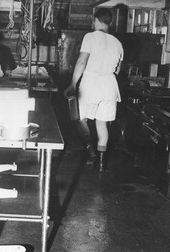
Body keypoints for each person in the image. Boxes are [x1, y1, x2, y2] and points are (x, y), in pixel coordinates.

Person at [64, 8, 123, 172]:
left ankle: (91, 151)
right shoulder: (117, 43)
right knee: (102, 123)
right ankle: (102, 163)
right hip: (110, 85)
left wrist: (73, 84)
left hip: (91, 83)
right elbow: (117, 70)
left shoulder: (90, 37)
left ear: (95, 20)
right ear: (110, 22)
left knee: (80, 119)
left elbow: (82, 62)